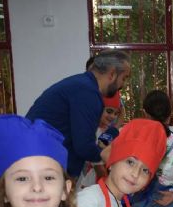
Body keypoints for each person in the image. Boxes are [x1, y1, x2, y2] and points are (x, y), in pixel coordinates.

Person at [26, 49, 131, 178]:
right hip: (44, 169)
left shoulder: (80, 84)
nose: (123, 85)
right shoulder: (88, 92)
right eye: (123, 78)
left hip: (41, 164)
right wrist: (112, 158)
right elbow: (84, 147)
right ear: (112, 74)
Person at [76, 91, 122, 191]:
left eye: (116, 113)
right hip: (92, 184)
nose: (113, 116)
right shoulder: (91, 132)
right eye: (109, 111)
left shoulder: (109, 131)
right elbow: (98, 167)